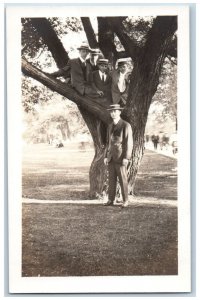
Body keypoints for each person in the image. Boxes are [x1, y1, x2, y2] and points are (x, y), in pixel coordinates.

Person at [104, 104, 133, 208]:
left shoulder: (126, 125)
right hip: (111, 158)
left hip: (121, 158)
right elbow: (108, 143)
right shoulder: (110, 126)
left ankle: (125, 200)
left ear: (119, 112)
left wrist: (126, 157)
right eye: (111, 111)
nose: (113, 113)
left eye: (115, 111)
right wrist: (106, 156)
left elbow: (128, 143)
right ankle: (111, 200)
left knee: (123, 179)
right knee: (111, 180)